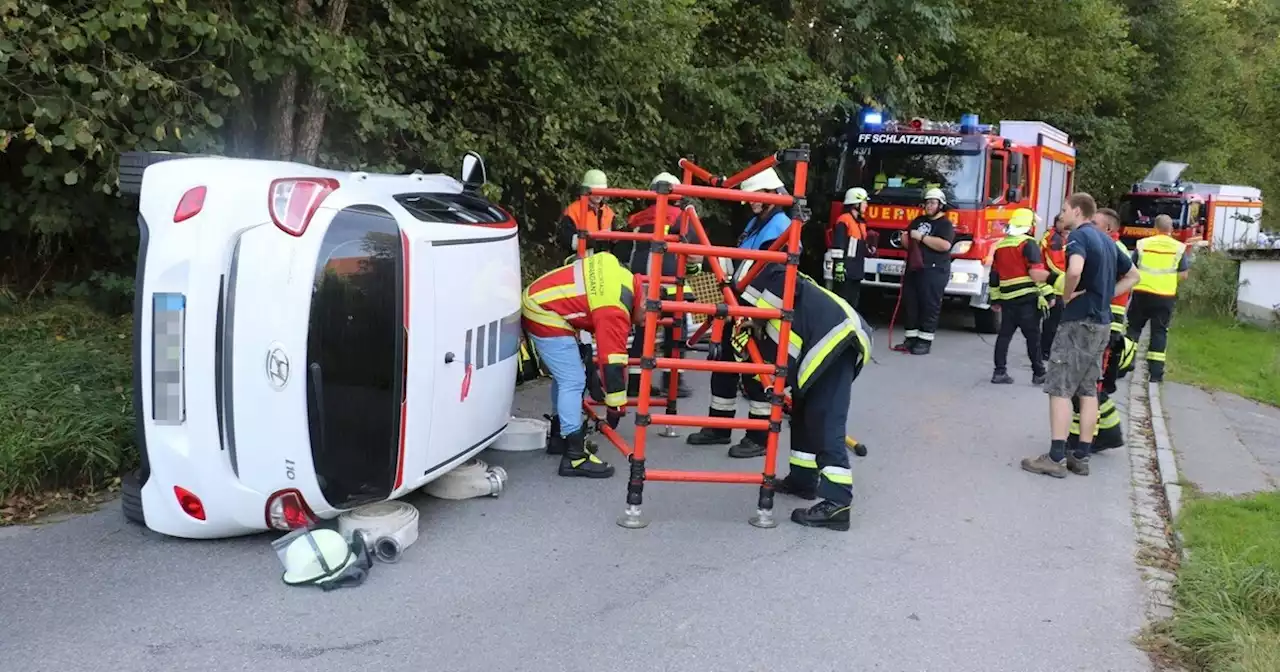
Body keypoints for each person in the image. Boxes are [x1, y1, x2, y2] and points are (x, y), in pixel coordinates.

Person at [733, 259, 873, 531]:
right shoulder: (765, 303)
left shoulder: (767, 275)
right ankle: (803, 479)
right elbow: (776, 356)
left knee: (824, 420)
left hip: (835, 339)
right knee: (804, 415)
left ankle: (837, 503)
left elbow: (782, 282)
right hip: (821, 344)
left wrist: (756, 319)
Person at [1022, 193, 1141, 478]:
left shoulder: (1079, 237)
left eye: (1064, 209)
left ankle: (1056, 457)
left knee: (1060, 388)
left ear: (1078, 211)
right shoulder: (1109, 243)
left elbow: (1074, 270)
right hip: (1101, 324)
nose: (1062, 214)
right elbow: (1134, 275)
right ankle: (1081, 456)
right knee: (1088, 390)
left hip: (1078, 322)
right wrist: (1106, 296)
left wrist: (1065, 295)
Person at [685, 167, 793, 458]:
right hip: (739, 304)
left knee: (756, 373)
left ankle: (759, 437)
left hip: (758, 308)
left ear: (771, 194)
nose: (750, 202)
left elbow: (768, 273)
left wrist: (751, 312)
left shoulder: (780, 225)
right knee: (724, 366)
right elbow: (740, 262)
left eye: (755, 197)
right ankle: (719, 427)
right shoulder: (758, 224)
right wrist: (708, 261)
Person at [521, 251, 644, 479]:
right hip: (545, 311)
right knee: (572, 380)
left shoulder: (620, 276)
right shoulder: (615, 310)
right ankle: (575, 457)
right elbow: (613, 362)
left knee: (566, 376)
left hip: (542, 300)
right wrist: (615, 408)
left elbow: (585, 307)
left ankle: (561, 438)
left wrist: (590, 369)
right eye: (646, 318)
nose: (644, 323)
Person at [623, 172, 701, 399]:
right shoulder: (680, 217)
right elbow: (695, 254)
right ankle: (672, 381)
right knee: (675, 330)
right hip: (668, 284)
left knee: (642, 333)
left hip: (638, 285)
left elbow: (623, 250)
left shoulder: (635, 219)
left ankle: (636, 384)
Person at [988, 208, 1050, 385]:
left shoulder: (1000, 245)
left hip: (1008, 300)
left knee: (1004, 336)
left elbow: (994, 275)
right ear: (1028, 225)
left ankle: (999, 372)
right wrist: (1049, 294)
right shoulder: (1029, 243)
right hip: (1027, 299)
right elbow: (1036, 272)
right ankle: (1039, 373)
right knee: (1033, 338)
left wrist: (995, 299)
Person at [1125, 214, 1189, 383]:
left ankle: (1126, 362)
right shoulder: (1179, 248)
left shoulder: (1143, 244)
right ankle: (1155, 373)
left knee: (1134, 329)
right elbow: (1183, 275)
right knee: (1159, 332)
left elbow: (1132, 267)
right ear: (1171, 229)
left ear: (1155, 228)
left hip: (1142, 292)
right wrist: (1168, 281)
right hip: (1165, 295)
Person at [894, 187, 955, 355]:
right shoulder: (918, 221)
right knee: (911, 304)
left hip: (934, 271)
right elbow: (908, 242)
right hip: (914, 268)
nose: (929, 206)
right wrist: (904, 239)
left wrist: (921, 237)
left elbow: (945, 245)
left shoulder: (945, 225)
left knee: (929, 306)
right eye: (927, 202)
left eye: (933, 203)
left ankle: (925, 341)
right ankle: (910, 339)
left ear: (941, 205)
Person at [826, 187, 870, 309]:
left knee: (853, 304)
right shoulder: (844, 220)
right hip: (845, 270)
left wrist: (870, 250)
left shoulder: (861, 222)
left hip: (856, 270)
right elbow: (839, 244)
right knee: (842, 304)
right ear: (856, 204)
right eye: (864, 202)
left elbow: (858, 245)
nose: (866, 205)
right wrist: (839, 265)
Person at [557, 169, 617, 258]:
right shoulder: (573, 211)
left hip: (604, 263)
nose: (598, 194)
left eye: (601, 191)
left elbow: (614, 245)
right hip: (579, 262)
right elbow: (567, 242)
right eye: (595, 190)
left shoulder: (609, 214)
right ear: (585, 190)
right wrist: (592, 239)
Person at [1039, 213, 1069, 360]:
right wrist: (1068, 277)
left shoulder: (1057, 236)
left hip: (1052, 282)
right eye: (1062, 222)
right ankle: (1045, 350)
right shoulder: (1055, 239)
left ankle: (1045, 349)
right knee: (1052, 321)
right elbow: (1055, 263)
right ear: (1056, 223)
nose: (1065, 224)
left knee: (1052, 320)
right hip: (1053, 284)